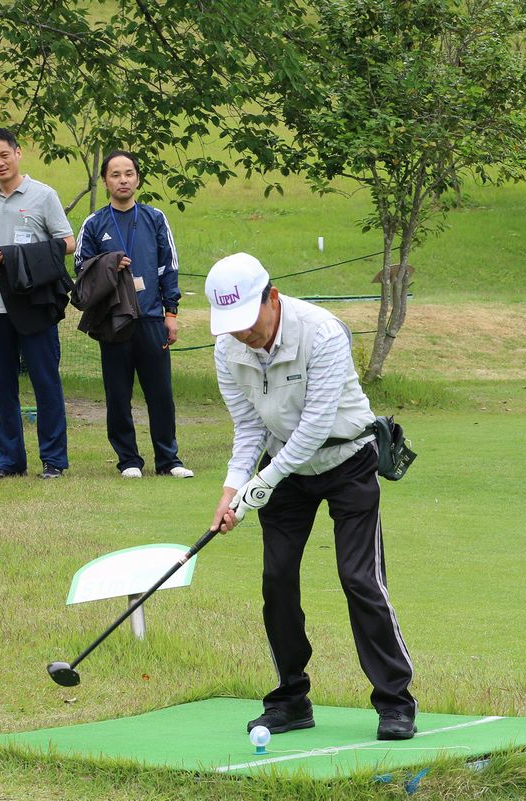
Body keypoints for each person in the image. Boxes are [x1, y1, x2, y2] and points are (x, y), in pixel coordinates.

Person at [205, 253, 417, 741]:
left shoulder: (321, 332)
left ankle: (395, 702)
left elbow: (316, 424)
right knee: (276, 579)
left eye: (248, 321)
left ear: (272, 297)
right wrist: (232, 489)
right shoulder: (227, 349)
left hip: (347, 460)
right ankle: (290, 700)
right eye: (231, 325)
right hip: (284, 470)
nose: (243, 335)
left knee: (360, 578)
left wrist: (261, 483)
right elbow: (248, 427)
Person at [0, 127, 75, 480]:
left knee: (45, 382)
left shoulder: (43, 195)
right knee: (3, 385)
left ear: (18, 153)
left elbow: (67, 242)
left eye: (4, 155)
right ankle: (9, 460)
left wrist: (23, 257)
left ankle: (53, 460)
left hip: (35, 305)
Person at [75, 150, 192, 479]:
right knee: (117, 393)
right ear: (106, 181)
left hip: (152, 318)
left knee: (161, 393)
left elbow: (170, 267)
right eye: (115, 174)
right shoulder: (95, 223)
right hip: (114, 320)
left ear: (138, 179)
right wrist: (109, 262)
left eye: (128, 173)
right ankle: (128, 460)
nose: (122, 179)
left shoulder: (155, 218)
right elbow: (81, 268)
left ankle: (169, 460)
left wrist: (172, 313)